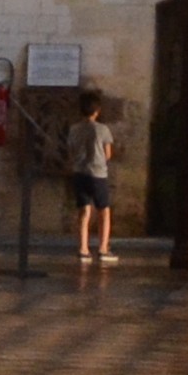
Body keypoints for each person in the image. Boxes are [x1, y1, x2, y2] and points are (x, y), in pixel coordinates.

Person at [67, 91, 117, 264]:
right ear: (97, 110)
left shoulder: (74, 129)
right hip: (98, 173)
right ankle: (103, 248)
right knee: (104, 210)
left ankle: (83, 249)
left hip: (79, 172)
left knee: (84, 210)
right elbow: (108, 154)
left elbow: (71, 151)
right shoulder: (102, 129)